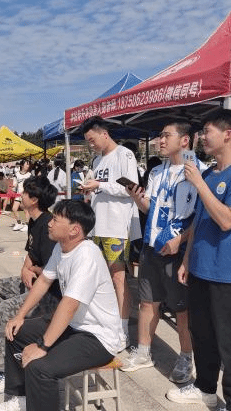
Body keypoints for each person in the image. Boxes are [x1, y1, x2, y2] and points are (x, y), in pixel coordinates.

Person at [167, 110, 231, 411]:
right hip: (200, 268)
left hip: (229, 273)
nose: (202, 138)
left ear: (227, 134)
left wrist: (200, 185)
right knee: (203, 335)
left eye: (207, 131)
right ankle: (205, 388)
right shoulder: (208, 175)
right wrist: (187, 260)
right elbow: (199, 222)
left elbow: (228, 220)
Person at [0, 200, 122, 411]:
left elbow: (69, 305)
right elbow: (44, 281)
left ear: (74, 230)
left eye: (55, 219)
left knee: (40, 368)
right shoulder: (61, 248)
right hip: (74, 327)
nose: (50, 223)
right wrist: (20, 315)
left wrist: (42, 346)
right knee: (16, 331)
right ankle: (21, 397)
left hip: (98, 337)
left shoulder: (87, 256)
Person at [123, 122, 203, 383]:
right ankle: (143, 352)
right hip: (152, 246)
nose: (161, 140)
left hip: (180, 251)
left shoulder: (199, 171)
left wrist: (181, 239)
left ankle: (187, 356)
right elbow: (151, 209)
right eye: (160, 135)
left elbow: (201, 216)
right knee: (148, 302)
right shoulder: (157, 171)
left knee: (182, 309)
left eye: (166, 135)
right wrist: (137, 197)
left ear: (185, 140)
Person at [0, 176, 59, 395]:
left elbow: (52, 271)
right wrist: (25, 269)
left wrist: (32, 271)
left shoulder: (48, 225)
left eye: (24, 193)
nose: (20, 196)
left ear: (35, 199)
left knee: (5, 309)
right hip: (34, 281)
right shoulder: (33, 221)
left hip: (48, 293)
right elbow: (31, 253)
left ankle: (1, 372)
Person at [80, 116, 140, 350]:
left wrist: (100, 185)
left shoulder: (124, 154)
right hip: (98, 226)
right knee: (103, 279)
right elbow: (100, 190)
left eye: (92, 140)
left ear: (104, 134)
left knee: (118, 279)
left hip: (117, 227)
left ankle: (123, 331)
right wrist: (90, 190)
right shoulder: (97, 160)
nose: (91, 145)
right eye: (88, 141)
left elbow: (130, 188)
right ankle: (109, 324)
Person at [12, 160, 32, 232]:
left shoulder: (29, 175)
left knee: (26, 210)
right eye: (27, 164)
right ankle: (19, 223)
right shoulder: (17, 174)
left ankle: (27, 224)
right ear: (22, 165)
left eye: (28, 164)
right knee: (14, 208)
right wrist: (13, 187)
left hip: (26, 194)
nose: (28, 166)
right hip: (18, 194)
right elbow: (15, 183)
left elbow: (31, 185)